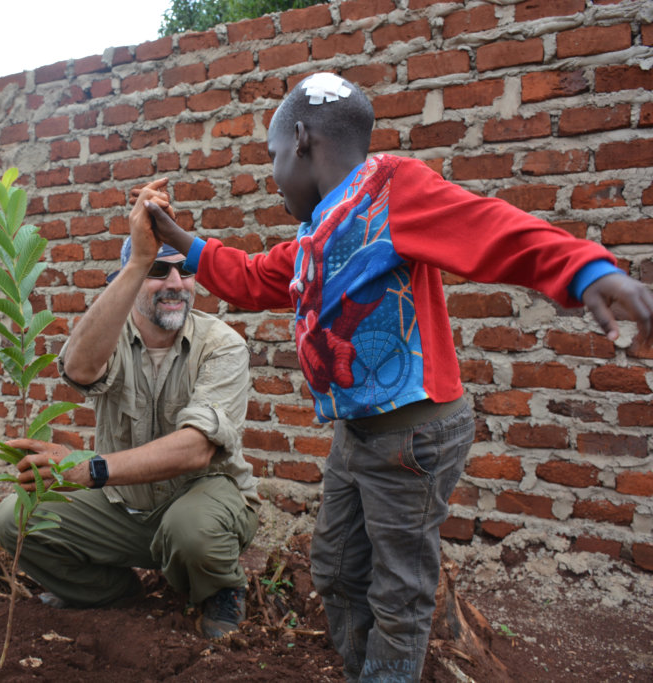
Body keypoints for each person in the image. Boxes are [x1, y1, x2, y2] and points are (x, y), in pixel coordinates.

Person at [140, 72, 653, 681]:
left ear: (302, 139)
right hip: (358, 434)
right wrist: (179, 240)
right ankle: (365, 670)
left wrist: (587, 270)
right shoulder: (318, 231)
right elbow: (256, 278)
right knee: (333, 569)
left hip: (413, 438)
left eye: (274, 155)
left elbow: (490, 227)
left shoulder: (395, 190)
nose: (272, 174)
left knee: (400, 592)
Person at [0, 180, 259, 639]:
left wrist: (89, 470)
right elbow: (78, 369)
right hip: (125, 508)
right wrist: (137, 259)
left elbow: (196, 450)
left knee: (192, 532)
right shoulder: (110, 334)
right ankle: (112, 591)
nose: (175, 283)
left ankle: (220, 589)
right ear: (129, 280)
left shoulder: (222, 345)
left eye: (184, 270)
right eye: (158, 270)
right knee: (15, 519)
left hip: (202, 500)